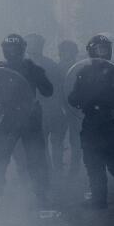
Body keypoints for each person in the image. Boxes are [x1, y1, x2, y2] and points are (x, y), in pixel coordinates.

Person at [0, 34, 52, 206]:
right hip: (6, 119)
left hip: (29, 118)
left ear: (21, 49)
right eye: (7, 48)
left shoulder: (31, 68)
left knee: (36, 158)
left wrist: (38, 75)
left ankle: (41, 195)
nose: (11, 51)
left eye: (14, 48)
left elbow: (48, 91)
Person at [68, 34, 114, 212]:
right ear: (91, 50)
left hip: (110, 120)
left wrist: (94, 96)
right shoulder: (83, 72)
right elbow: (73, 97)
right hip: (91, 121)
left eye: (105, 49)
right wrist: (78, 99)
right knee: (92, 163)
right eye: (99, 49)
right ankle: (98, 200)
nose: (102, 53)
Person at [29, 34, 71, 174]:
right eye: (32, 44)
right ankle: (51, 171)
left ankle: (56, 170)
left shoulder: (51, 65)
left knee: (55, 143)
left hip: (52, 110)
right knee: (43, 144)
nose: (35, 47)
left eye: (36, 44)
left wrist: (63, 108)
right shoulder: (25, 66)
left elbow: (60, 87)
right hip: (37, 111)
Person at [56, 40, 83, 175]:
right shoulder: (55, 68)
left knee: (75, 140)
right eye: (64, 52)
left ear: (74, 54)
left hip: (75, 109)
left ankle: (75, 168)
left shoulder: (80, 68)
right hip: (58, 109)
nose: (67, 55)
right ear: (60, 54)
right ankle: (58, 167)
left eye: (70, 52)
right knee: (57, 139)